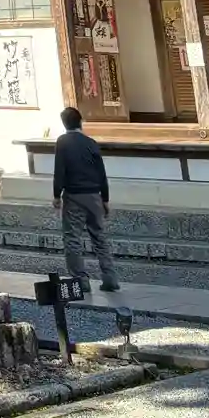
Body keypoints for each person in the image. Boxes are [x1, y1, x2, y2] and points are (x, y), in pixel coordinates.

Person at [52, 105, 121, 292]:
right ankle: (110, 277)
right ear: (80, 121)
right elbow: (101, 172)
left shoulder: (63, 142)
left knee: (72, 238)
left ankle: (80, 280)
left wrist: (56, 195)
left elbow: (60, 170)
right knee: (99, 237)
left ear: (64, 124)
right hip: (94, 195)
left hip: (74, 195)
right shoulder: (91, 143)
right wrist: (105, 198)